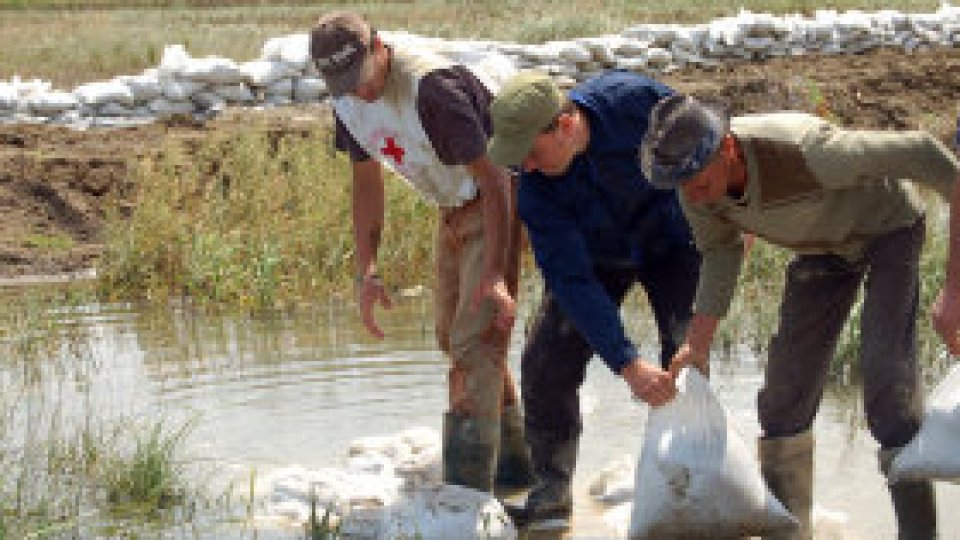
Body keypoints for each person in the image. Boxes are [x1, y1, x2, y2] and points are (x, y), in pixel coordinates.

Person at [641, 94, 960, 539]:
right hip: (820, 248)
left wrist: (955, 290)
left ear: (728, 150)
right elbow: (721, 251)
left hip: (889, 230)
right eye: (680, 185)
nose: (690, 194)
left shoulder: (811, 153)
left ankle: (920, 534)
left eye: (696, 180)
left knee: (889, 390)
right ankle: (790, 533)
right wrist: (696, 342)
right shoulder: (696, 189)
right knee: (781, 403)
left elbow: (934, 159)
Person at [308, 11, 533, 493]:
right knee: (454, 340)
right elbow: (365, 183)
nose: (359, 92)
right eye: (344, 85)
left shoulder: (433, 91)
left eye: (362, 77)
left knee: (474, 345)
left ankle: (465, 499)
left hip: (499, 200)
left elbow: (497, 182)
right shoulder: (346, 101)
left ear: (379, 48)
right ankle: (517, 473)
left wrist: (496, 271)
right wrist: (367, 271)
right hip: (452, 206)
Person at [486, 70, 701, 528]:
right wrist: (627, 363)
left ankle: (683, 486)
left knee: (684, 359)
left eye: (531, 151)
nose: (525, 165)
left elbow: (705, 139)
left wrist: (729, 216)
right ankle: (552, 497)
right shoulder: (537, 193)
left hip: (673, 243)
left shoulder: (635, 102)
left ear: (564, 126)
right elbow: (573, 282)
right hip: (598, 258)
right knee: (545, 362)